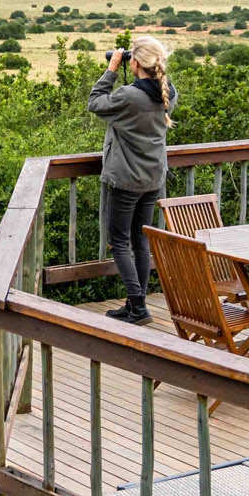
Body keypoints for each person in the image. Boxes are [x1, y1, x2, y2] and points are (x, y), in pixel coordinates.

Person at [88, 35, 177, 324]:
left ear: (135, 62)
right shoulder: (167, 93)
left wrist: (112, 69)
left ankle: (137, 307)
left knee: (120, 240)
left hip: (126, 179)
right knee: (140, 240)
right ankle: (134, 304)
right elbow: (158, 84)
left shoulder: (129, 96)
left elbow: (95, 103)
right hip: (152, 178)